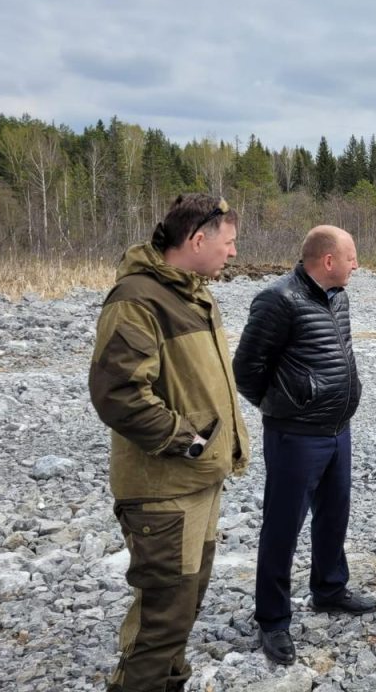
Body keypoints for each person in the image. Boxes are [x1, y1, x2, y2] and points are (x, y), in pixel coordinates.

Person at [89, 193, 250, 692]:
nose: (233, 253)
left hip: (195, 481)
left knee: (184, 606)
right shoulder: (138, 298)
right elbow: (118, 394)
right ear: (197, 239)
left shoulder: (192, 293)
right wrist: (191, 440)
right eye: (229, 242)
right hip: (164, 489)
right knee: (162, 618)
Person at [233, 225, 376, 667]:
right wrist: (284, 406)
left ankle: (329, 588)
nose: (357, 264)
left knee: (334, 514)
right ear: (329, 260)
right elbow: (246, 368)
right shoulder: (279, 299)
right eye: (351, 257)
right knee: (283, 525)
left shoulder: (339, 296)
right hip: (295, 434)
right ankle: (273, 619)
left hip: (338, 429)